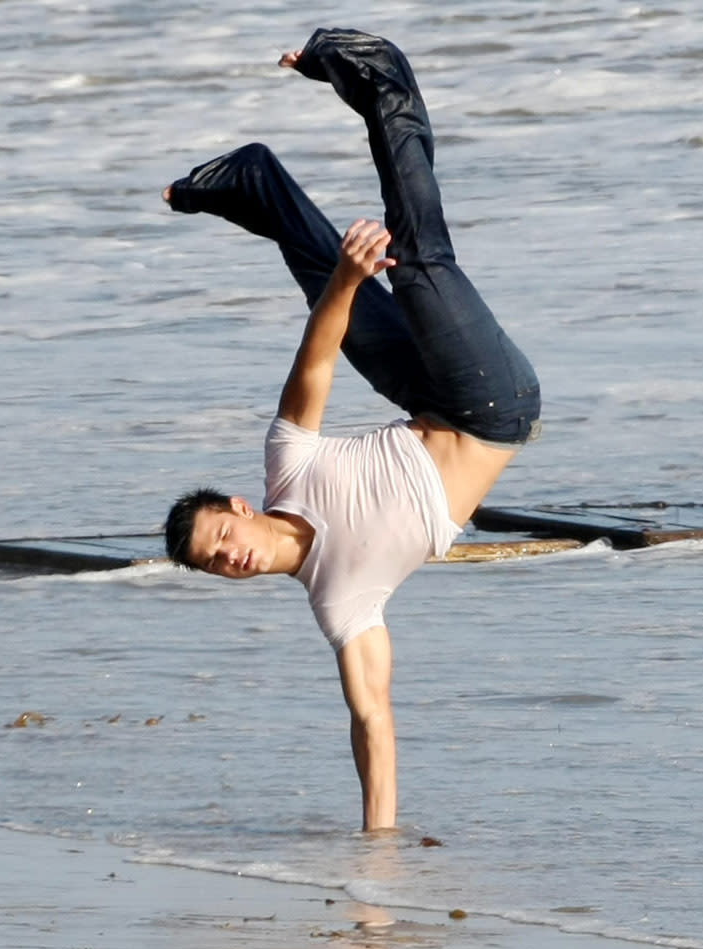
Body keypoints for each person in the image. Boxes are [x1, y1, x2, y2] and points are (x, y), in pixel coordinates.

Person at [162, 28, 541, 831]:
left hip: (429, 398)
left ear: (237, 505)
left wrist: (344, 278)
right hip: (491, 408)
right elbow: (373, 719)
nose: (229, 557)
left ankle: (353, 103)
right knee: (405, 265)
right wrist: (380, 842)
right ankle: (311, 154)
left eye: (218, 536)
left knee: (387, 266)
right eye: (215, 565)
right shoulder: (340, 603)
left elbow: (316, 364)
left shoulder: (286, 469)